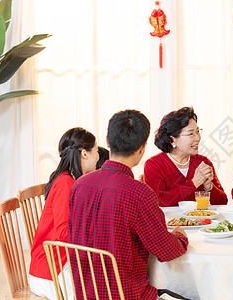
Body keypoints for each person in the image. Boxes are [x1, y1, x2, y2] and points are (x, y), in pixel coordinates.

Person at [68, 109, 189, 299]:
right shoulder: (140, 193)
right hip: (127, 295)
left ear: (107, 143)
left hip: (85, 292)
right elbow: (166, 251)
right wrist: (180, 236)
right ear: (142, 148)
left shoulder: (79, 185)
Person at [29, 127, 99, 299]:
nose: (98, 156)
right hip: (51, 269)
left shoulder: (68, 179)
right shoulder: (65, 183)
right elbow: (62, 233)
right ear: (84, 154)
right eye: (96, 151)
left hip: (56, 262)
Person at [144, 107, 228, 207]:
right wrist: (194, 183)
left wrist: (209, 187)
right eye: (191, 134)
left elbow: (222, 202)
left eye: (197, 132)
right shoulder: (154, 165)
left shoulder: (203, 162)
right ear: (172, 140)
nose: (197, 138)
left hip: (200, 221)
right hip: (169, 222)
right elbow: (159, 201)